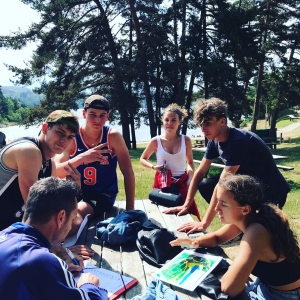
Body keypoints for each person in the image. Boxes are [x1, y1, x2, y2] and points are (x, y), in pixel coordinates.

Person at [164, 98, 290, 234]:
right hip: (249, 187)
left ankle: (243, 228)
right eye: (201, 124)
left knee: (263, 235)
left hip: (271, 191)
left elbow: (222, 184)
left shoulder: (238, 141)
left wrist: (204, 223)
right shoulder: (214, 140)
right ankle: (239, 226)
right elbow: (200, 173)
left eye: (207, 123)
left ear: (222, 121)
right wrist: (186, 204)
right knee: (206, 186)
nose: (203, 129)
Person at [170, 175, 300, 300]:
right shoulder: (250, 217)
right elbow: (216, 238)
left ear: (245, 209)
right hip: (266, 285)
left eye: (223, 204)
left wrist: (234, 269)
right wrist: (195, 242)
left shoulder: (256, 232)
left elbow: (229, 288)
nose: (216, 208)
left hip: (280, 295)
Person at [0, 177, 108, 300]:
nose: (71, 226)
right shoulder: (41, 260)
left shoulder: (6, 235)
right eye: (72, 219)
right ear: (61, 217)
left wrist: (57, 271)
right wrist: (89, 285)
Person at [54, 95, 135, 229]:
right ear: (84, 113)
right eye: (92, 114)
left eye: (102, 115)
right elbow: (56, 171)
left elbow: (128, 172)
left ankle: (58, 244)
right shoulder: (73, 137)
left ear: (108, 116)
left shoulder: (112, 136)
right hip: (76, 192)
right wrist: (83, 158)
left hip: (101, 195)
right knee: (48, 214)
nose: (97, 120)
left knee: (72, 219)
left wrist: (130, 210)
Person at [0, 110, 81, 231]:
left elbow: (55, 205)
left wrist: (73, 189)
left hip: (10, 229)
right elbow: (35, 209)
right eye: (60, 132)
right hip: (6, 232)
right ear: (44, 128)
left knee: (76, 221)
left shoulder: (50, 164)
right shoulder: (29, 151)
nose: (64, 141)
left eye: (70, 137)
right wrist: (53, 248)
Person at [139, 103, 200, 219]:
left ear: (180, 122)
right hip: (162, 183)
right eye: (166, 120)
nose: (169, 123)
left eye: (173, 120)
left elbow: (190, 162)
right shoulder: (156, 141)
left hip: (182, 182)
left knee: (184, 214)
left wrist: (190, 178)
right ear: (162, 121)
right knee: (161, 214)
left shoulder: (185, 140)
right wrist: (153, 167)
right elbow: (143, 159)